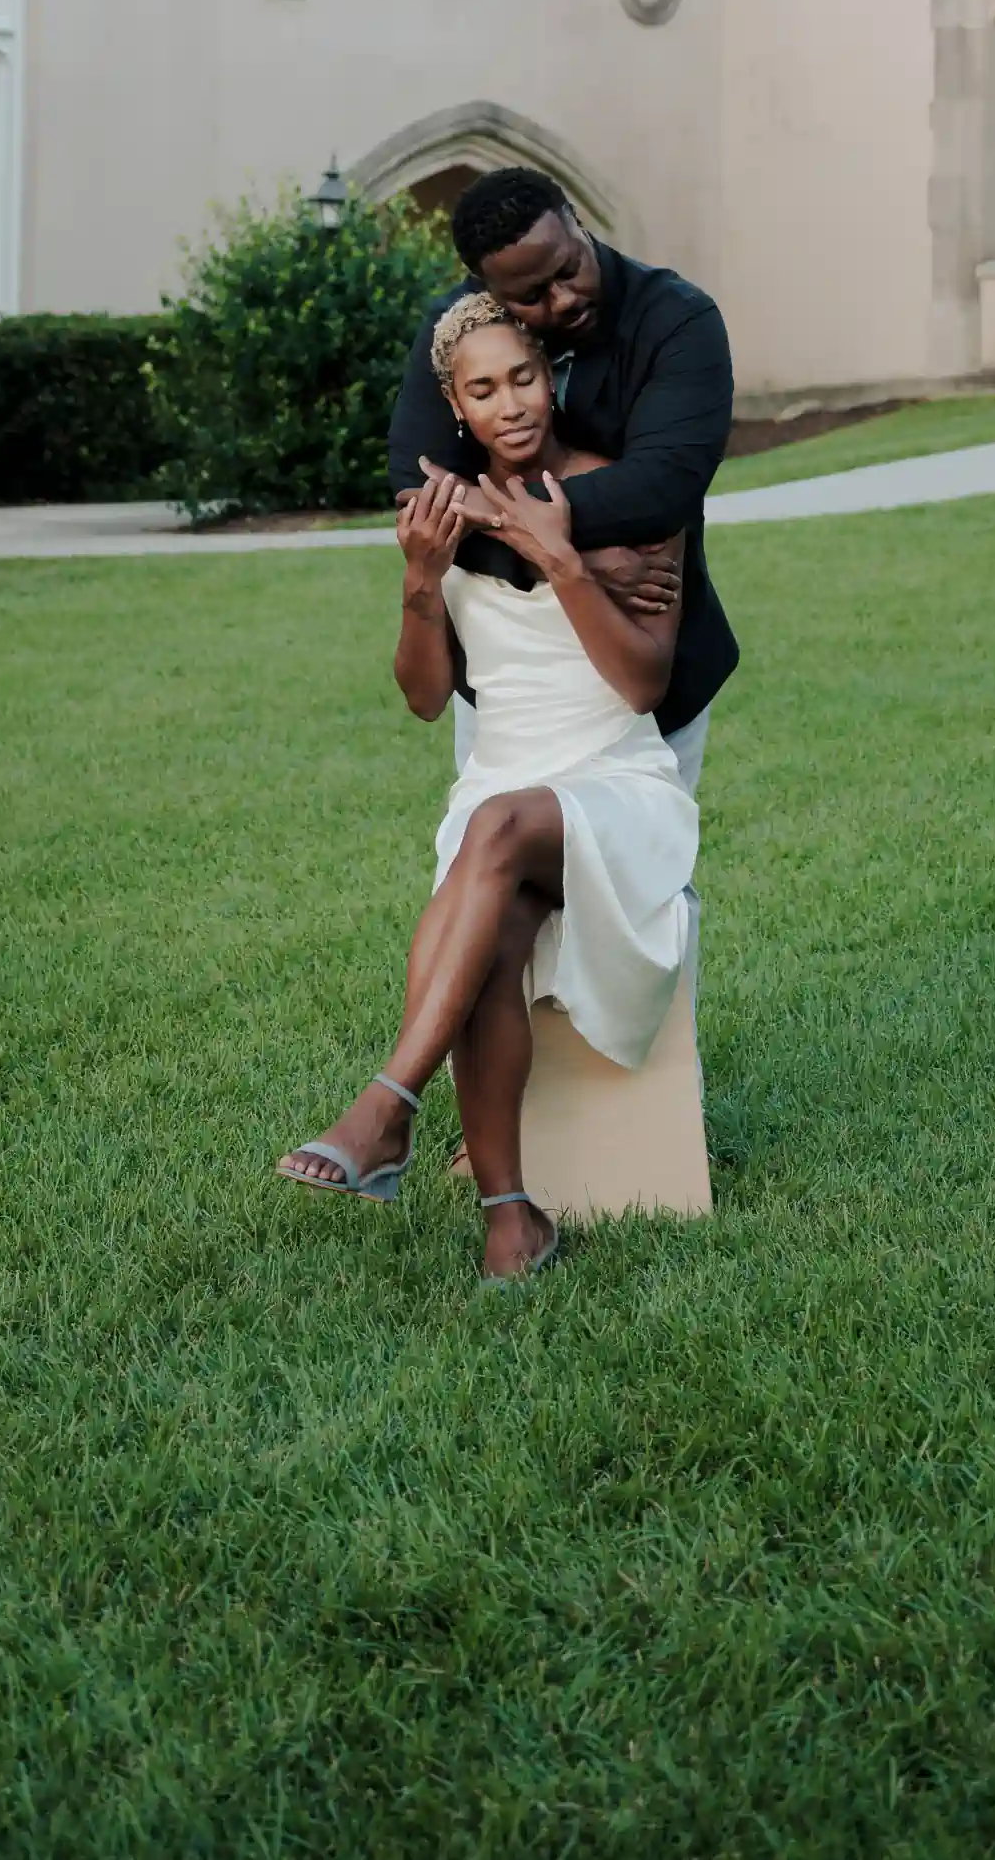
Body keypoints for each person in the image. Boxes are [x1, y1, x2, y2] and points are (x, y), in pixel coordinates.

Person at [277, 294, 698, 1280]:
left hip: (613, 776)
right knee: (494, 923)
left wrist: (561, 559)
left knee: (498, 829)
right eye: (481, 389)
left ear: (549, 374)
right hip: (501, 778)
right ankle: (513, 1217)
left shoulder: (625, 494)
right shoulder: (442, 511)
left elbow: (642, 681)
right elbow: (427, 699)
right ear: (453, 408)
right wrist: (422, 580)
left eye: (521, 377)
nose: (508, 403)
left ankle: (387, 1104)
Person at [385, 167, 738, 796]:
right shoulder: (460, 334)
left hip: (643, 654)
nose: (564, 298)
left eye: (569, 267)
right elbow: (420, 495)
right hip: (505, 689)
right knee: (503, 859)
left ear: (577, 220)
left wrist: (487, 512)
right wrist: (581, 560)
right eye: (531, 295)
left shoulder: (678, 323)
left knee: (643, 883)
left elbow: (661, 491)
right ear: (486, 289)